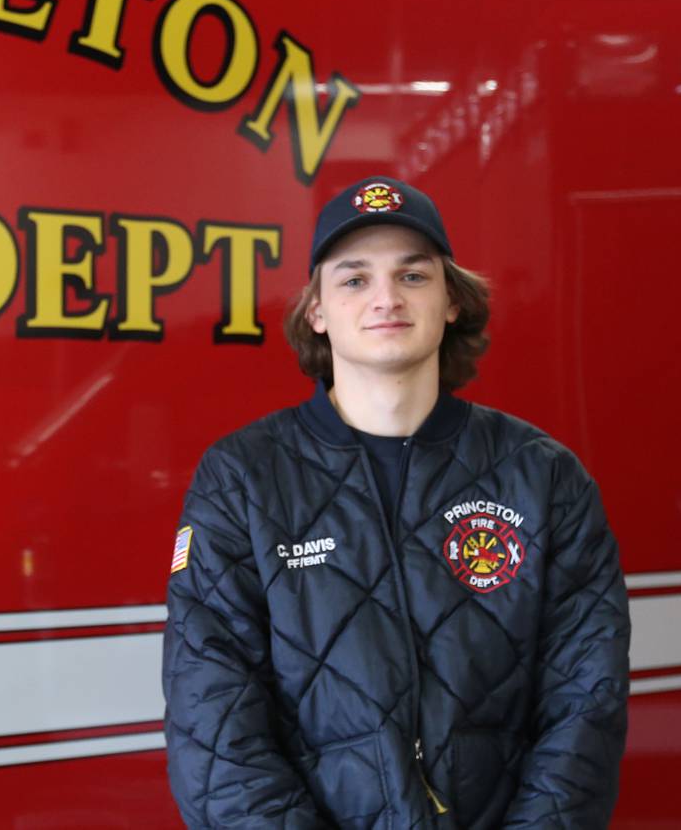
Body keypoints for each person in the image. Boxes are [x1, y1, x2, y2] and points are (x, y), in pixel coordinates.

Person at [162, 176, 629, 829]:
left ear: (450, 302)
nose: (386, 298)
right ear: (317, 312)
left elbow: (586, 703)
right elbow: (211, 724)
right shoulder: (242, 479)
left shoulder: (543, 477)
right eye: (354, 279)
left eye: (413, 276)